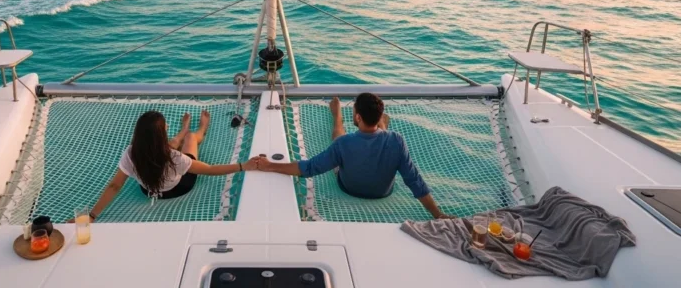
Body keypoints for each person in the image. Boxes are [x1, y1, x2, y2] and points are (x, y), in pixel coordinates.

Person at [257, 93, 452, 219]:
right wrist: (437, 213)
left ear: (358, 117)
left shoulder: (344, 144)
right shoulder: (396, 141)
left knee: (338, 135)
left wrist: (269, 165)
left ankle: (337, 116)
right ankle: (381, 125)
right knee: (384, 137)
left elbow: (309, 168)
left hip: (348, 188)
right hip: (382, 192)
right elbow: (414, 180)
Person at [79, 110, 262, 221]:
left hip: (149, 190)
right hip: (179, 188)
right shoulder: (174, 157)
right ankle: (199, 130)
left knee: (172, 145)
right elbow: (209, 169)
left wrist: (92, 215)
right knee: (191, 139)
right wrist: (242, 166)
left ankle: (183, 130)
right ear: (163, 132)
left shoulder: (131, 153)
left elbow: (115, 185)